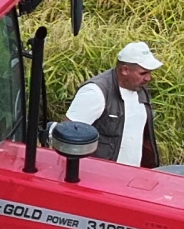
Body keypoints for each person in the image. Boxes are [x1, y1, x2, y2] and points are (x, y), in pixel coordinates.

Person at [66, 40, 163, 168]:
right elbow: (67, 134)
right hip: (101, 174)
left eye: (150, 73)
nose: (148, 78)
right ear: (124, 70)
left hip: (133, 174)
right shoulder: (95, 92)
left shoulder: (139, 88)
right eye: (143, 73)